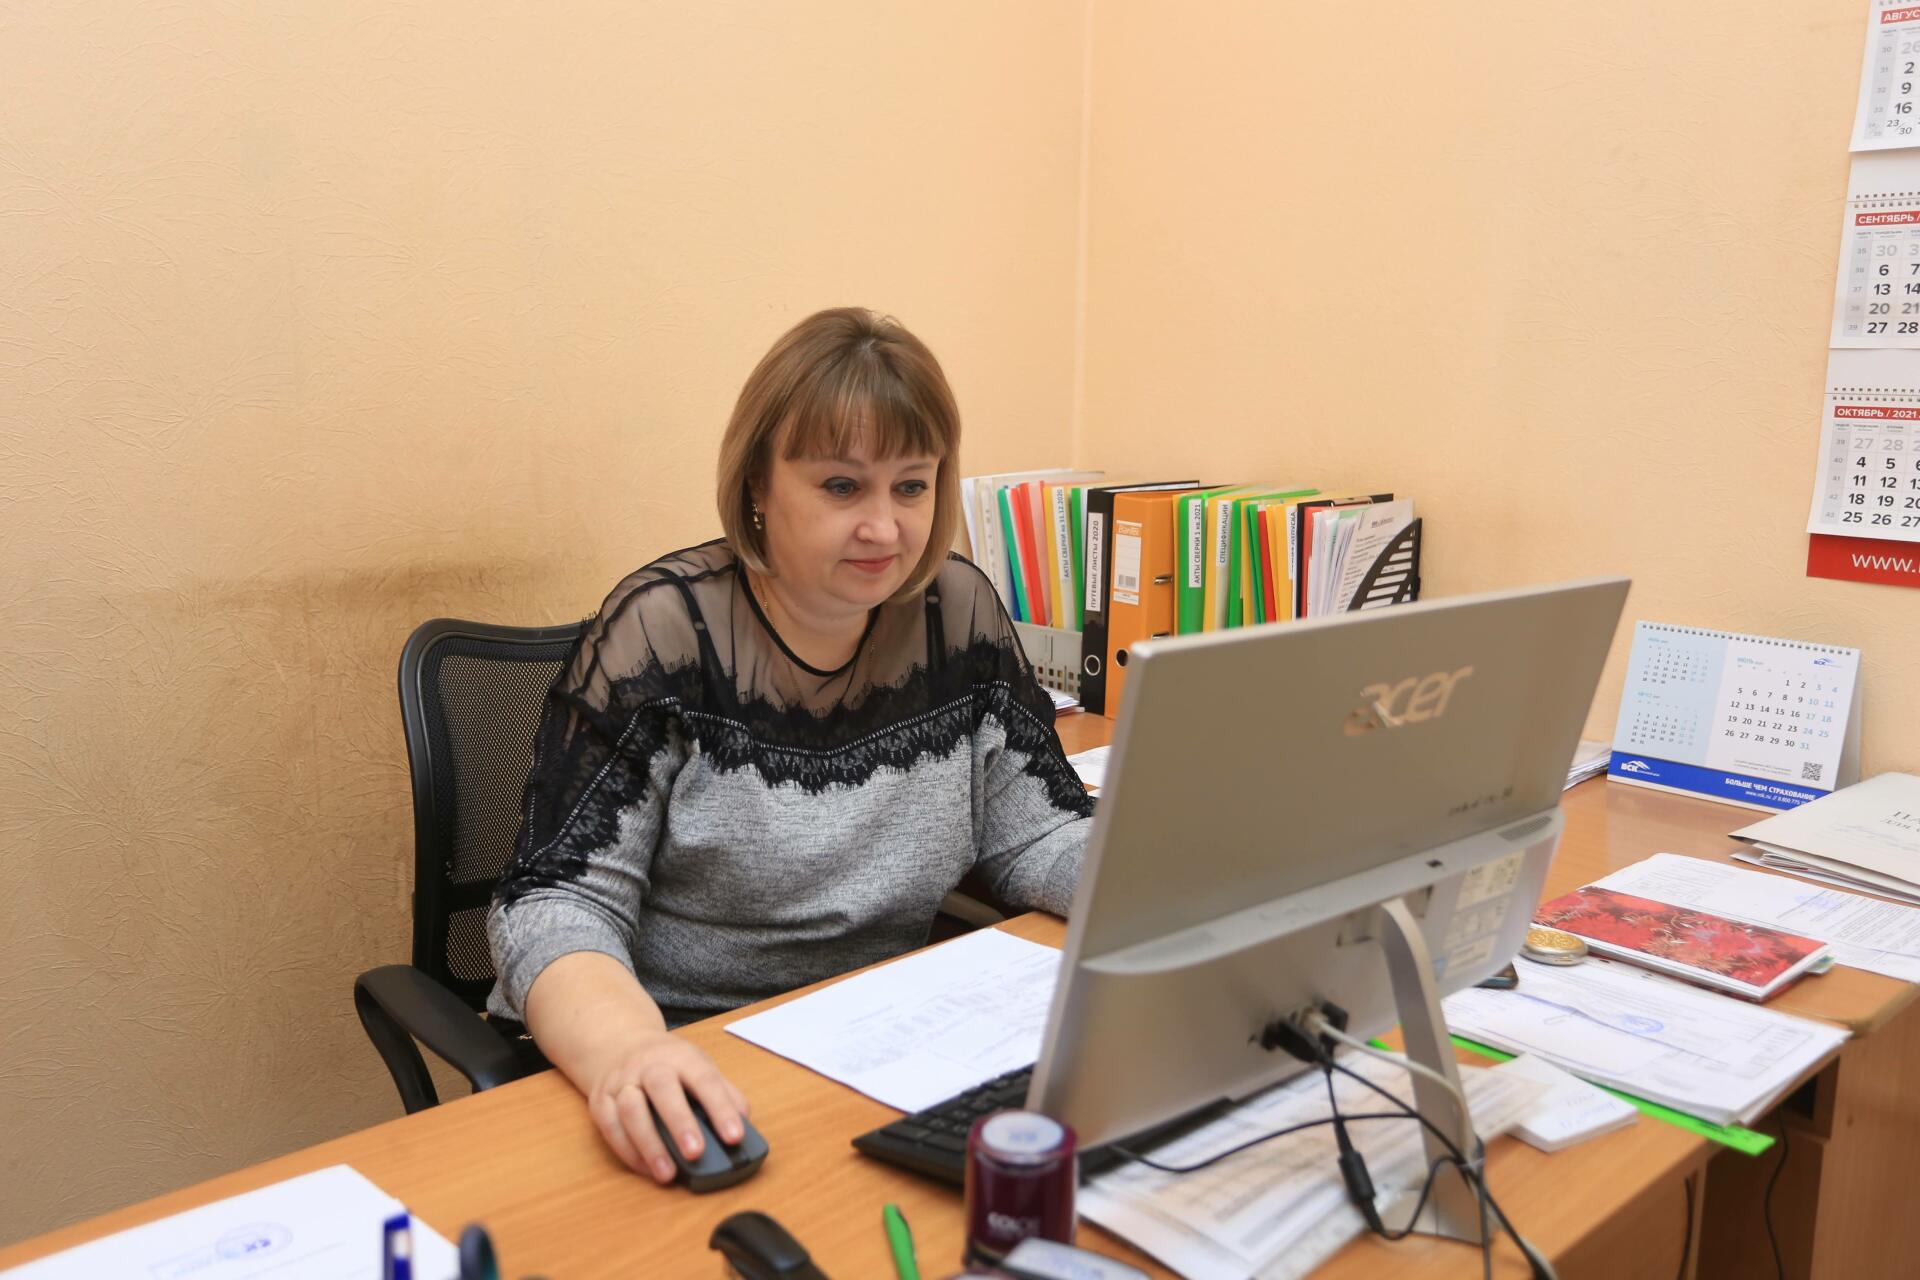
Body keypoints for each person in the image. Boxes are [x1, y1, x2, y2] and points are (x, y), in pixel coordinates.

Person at [485, 307, 1094, 1184]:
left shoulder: (955, 614)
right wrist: (627, 1050)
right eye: (843, 487)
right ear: (758, 489)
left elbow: (1037, 832)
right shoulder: (664, 635)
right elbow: (555, 901)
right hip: (678, 1060)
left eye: (911, 487)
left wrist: (1179, 885)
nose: (885, 528)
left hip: (869, 1049)